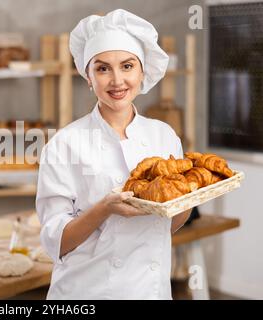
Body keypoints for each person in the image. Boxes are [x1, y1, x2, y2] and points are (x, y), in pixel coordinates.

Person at [36, 9, 192, 299]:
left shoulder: (165, 136)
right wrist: (105, 208)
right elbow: (55, 243)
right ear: (88, 76)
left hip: (151, 290)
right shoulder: (64, 144)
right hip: (86, 291)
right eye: (103, 68)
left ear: (142, 71)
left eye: (127, 66)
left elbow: (169, 222)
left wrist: (193, 196)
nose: (117, 80)